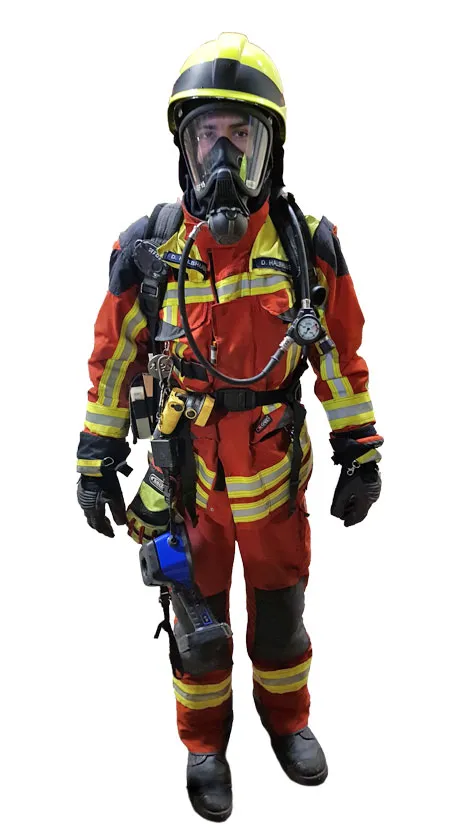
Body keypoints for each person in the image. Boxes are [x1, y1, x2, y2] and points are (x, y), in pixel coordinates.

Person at [76, 32, 383, 822]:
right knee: (197, 629)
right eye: (206, 134)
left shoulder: (309, 247)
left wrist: (360, 449)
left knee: (282, 620)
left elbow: (339, 355)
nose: (222, 155)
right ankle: (204, 745)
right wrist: (95, 456)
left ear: (269, 146)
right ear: (184, 146)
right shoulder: (147, 250)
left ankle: (288, 723)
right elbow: (114, 361)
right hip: (189, 485)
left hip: (275, 477)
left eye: (239, 135)